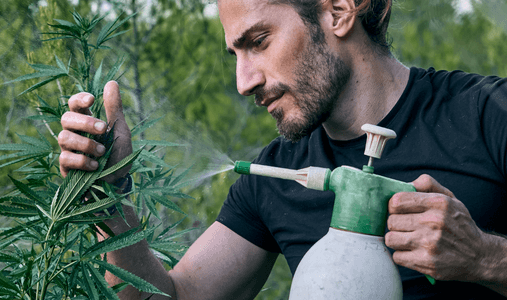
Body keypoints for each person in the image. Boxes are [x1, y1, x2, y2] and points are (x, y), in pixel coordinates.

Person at [57, 0, 507, 298]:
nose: (243, 81)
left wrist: (485, 258)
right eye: (235, 54)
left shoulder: (490, 114)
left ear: (339, 10)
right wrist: (107, 195)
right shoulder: (275, 177)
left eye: (258, 42)